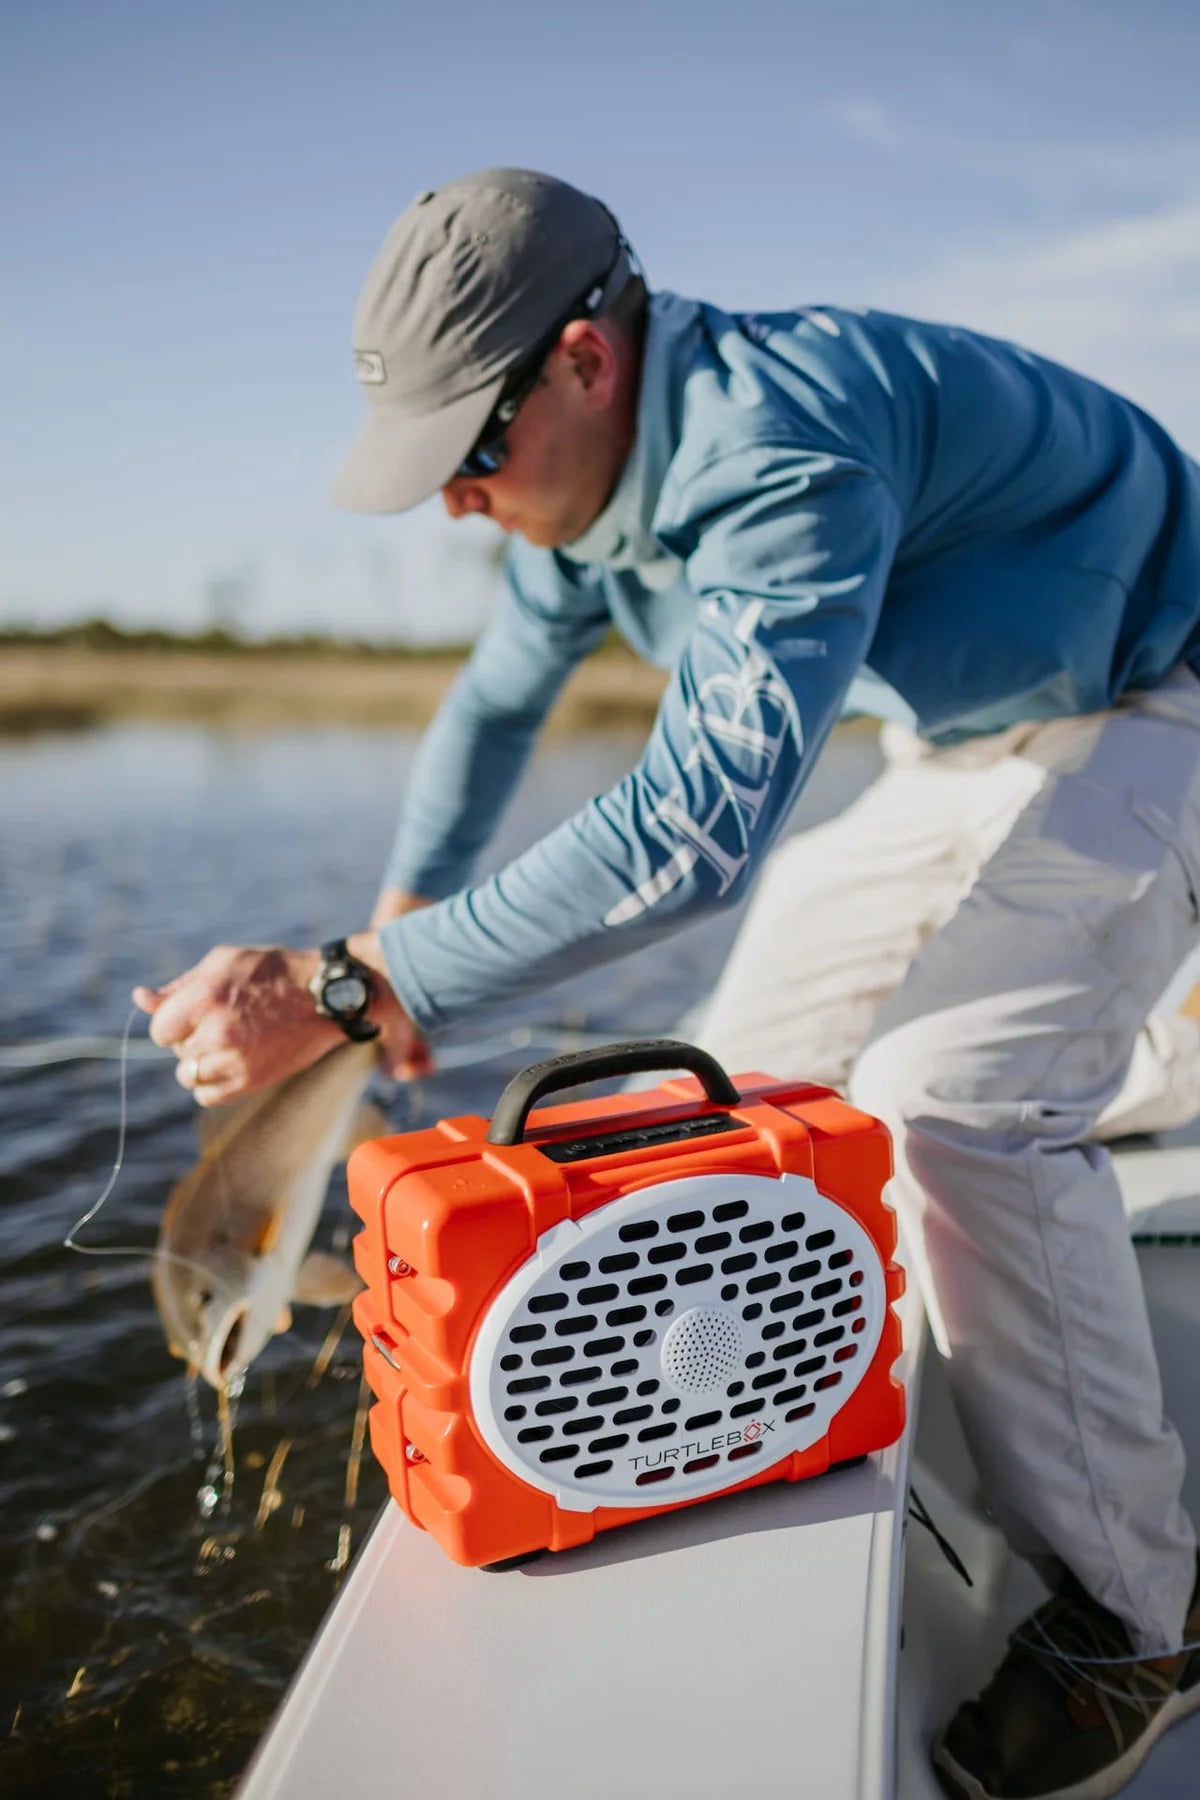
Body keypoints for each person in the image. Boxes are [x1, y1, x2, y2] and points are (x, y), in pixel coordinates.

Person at [133, 168, 1200, 1799]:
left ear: (584, 359)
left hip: (1161, 695)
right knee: (702, 1099)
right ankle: (737, 1394)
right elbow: (494, 711)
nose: (458, 508)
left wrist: (354, 984)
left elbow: (694, 829)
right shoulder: (572, 501)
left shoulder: (782, 439)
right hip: (968, 741)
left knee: (950, 1106)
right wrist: (396, 943)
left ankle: (1142, 1614)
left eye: (470, 453)